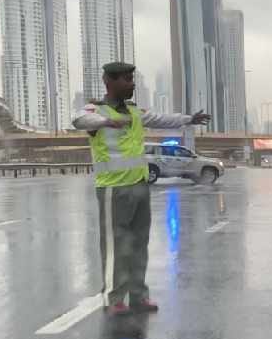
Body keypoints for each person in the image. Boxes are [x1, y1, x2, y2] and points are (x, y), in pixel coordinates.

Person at [72, 61, 210, 316]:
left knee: (138, 245)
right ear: (109, 82)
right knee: (116, 247)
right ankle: (114, 299)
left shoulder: (135, 112)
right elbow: (79, 120)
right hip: (113, 189)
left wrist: (189, 119)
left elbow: (161, 118)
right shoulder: (96, 109)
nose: (131, 84)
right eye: (125, 80)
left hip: (139, 186)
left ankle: (138, 295)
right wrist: (105, 122)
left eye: (131, 79)